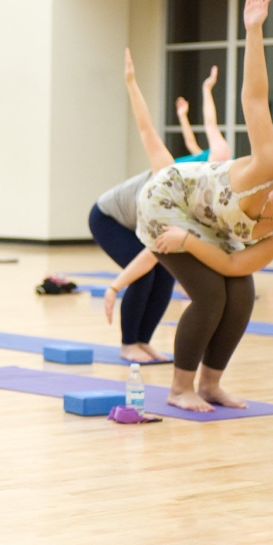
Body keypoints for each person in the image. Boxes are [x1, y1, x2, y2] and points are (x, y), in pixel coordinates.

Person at [135, 0, 273, 412]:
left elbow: (235, 263)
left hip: (206, 226)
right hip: (167, 199)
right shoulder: (269, 165)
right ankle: (179, 388)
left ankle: (211, 385)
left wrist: (192, 241)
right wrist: (254, 31)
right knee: (210, 295)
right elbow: (255, 99)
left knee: (240, 294)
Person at [91, 52, 174, 364]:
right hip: (108, 217)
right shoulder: (165, 171)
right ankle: (128, 345)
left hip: (136, 223)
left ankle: (144, 341)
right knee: (143, 274)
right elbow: (146, 127)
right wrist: (130, 82)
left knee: (166, 274)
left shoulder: (192, 205)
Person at [173, 65, 232, 163]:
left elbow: (192, 144)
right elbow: (210, 125)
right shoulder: (214, 163)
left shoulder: (206, 166)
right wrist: (206, 89)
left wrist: (182, 116)